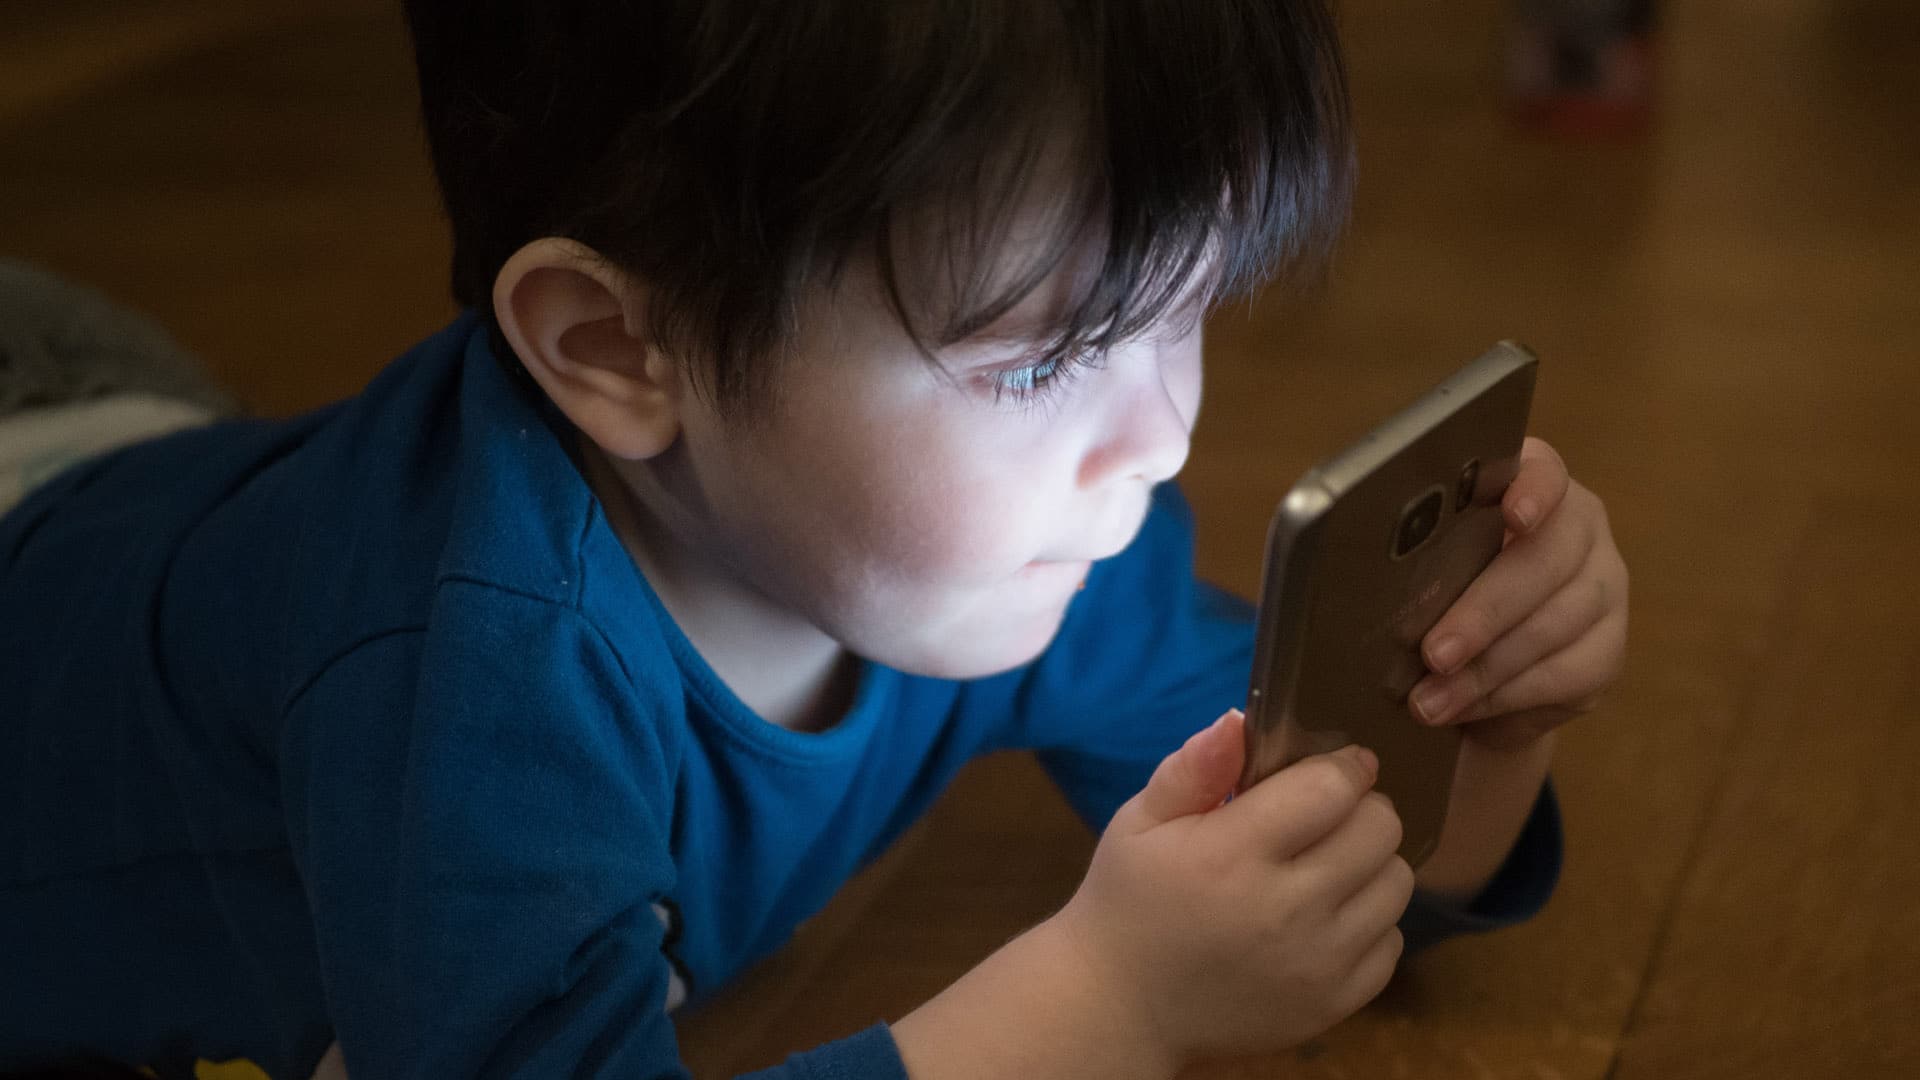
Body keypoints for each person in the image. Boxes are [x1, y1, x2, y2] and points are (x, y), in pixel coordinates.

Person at [0, 1, 1629, 1078]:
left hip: (151, 463)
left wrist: (1486, 724)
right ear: (620, 351)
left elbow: (1341, 865)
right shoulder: (475, 689)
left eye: (1182, 310)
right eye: (1049, 358)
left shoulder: (1044, 537)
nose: (1164, 436)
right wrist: (1101, 1003)